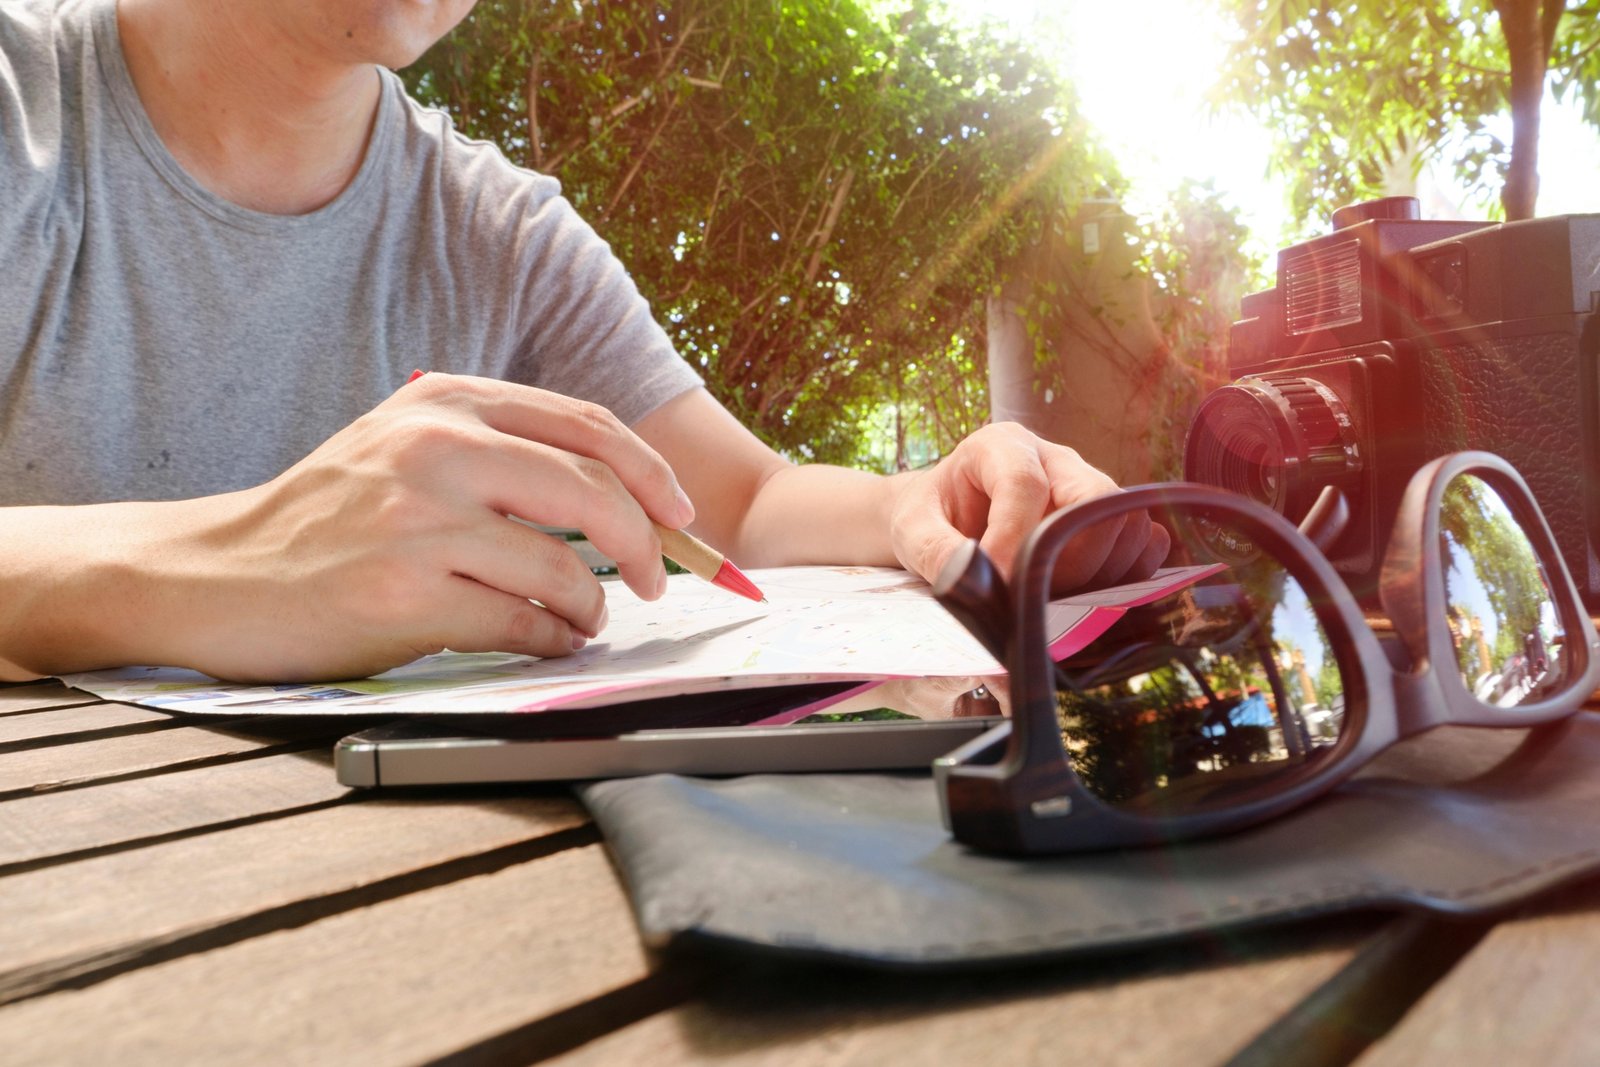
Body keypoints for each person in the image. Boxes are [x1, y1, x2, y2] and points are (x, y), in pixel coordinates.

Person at [0, 0, 1167, 684]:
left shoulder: (500, 232)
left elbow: (738, 501)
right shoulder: (26, 107)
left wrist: (927, 504)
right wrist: (230, 561)